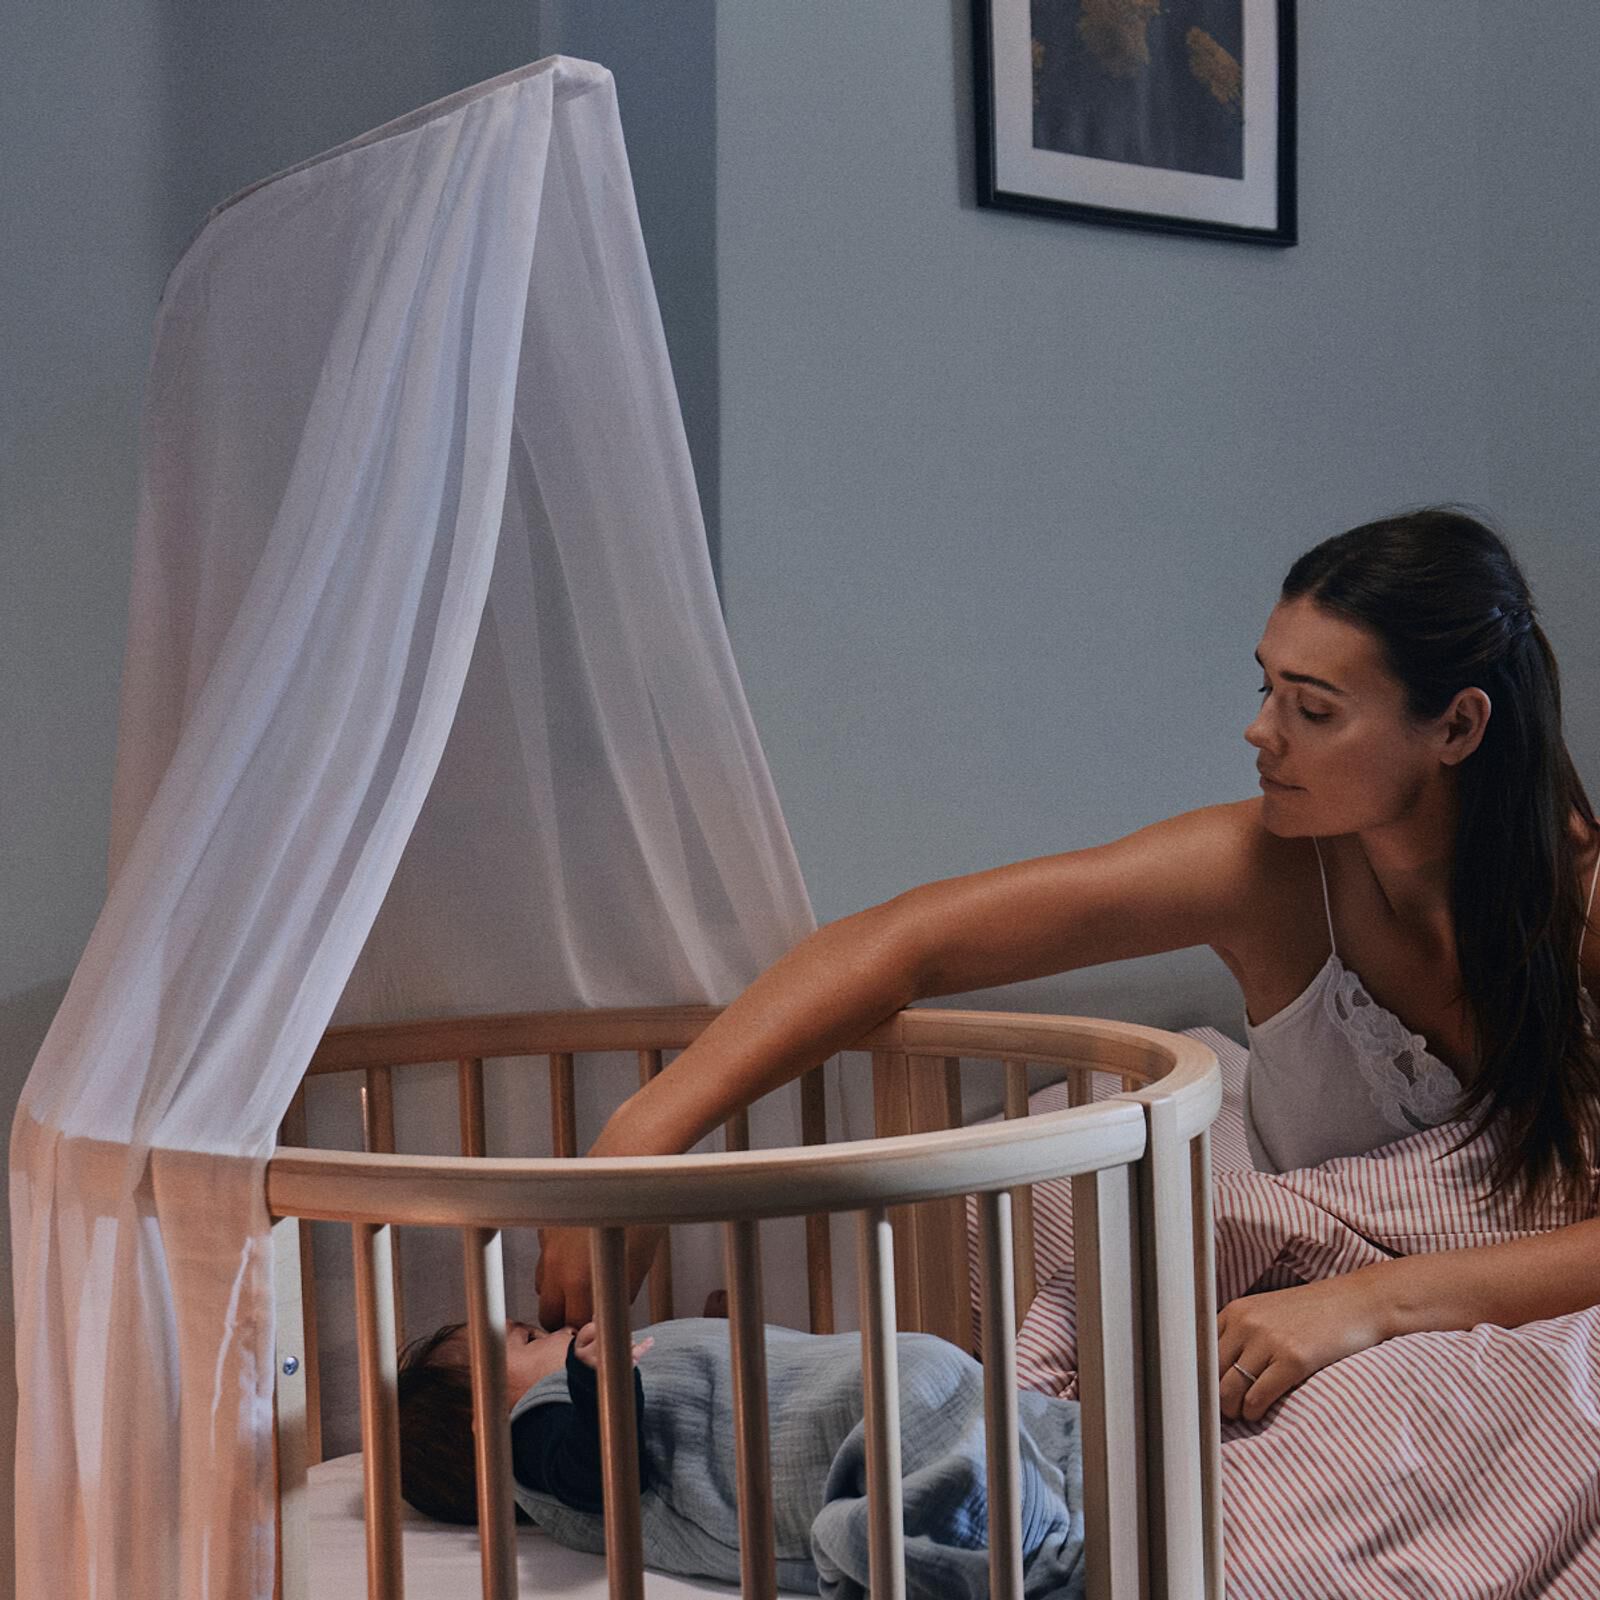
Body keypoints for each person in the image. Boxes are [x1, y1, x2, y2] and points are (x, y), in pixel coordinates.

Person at [534, 506, 1600, 1425]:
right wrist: (642, 1136)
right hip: (1287, 1293)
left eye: (1312, 709)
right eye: (1267, 687)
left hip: (1412, 1322)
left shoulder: (1584, 910)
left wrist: (1375, 1303)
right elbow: (912, 939)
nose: (1259, 730)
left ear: (1455, 727)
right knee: (1030, 1229)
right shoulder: (1266, 871)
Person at [396, 1315, 1088, 1598]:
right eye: (529, 1337)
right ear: (478, 1427)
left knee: (950, 1401)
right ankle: (1010, 1526)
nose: (555, 1329)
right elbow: (598, 1467)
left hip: (837, 1402)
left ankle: (1022, 1495)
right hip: (848, 1420)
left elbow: (721, 1398)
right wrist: (595, 1384)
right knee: (922, 1387)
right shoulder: (531, 1433)